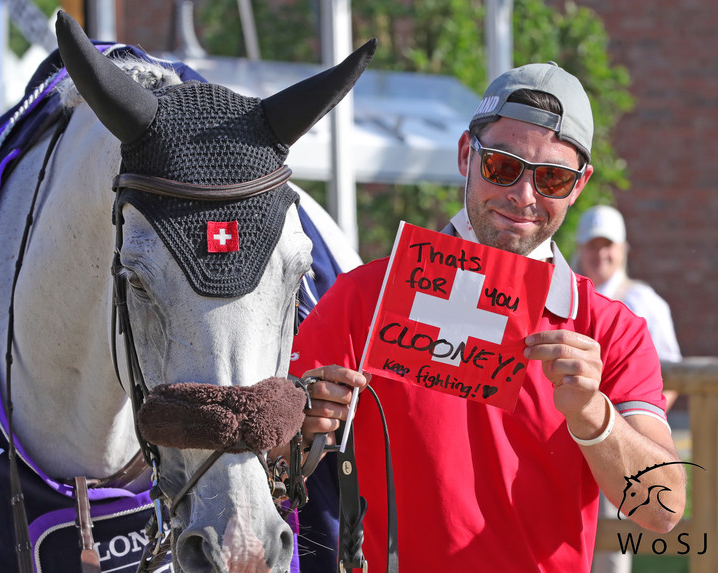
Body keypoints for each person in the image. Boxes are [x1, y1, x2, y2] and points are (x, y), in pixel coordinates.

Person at [290, 62, 686, 573]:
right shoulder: (365, 296)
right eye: (502, 166)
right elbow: (272, 469)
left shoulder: (611, 329)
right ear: (465, 155)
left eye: (553, 178)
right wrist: (298, 430)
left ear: (579, 185)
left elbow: (663, 509)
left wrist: (594, 416)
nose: (524, 196)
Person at [574, 204, 683, 573]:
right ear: (580, 248)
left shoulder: (645, 303)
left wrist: (638, 425)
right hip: (566, 435)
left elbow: (672, 378)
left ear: (623, 249)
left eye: (608, 245)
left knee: (612, 540)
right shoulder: (564, 299)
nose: (600, 254)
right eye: (592, 245)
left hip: (618, 436)